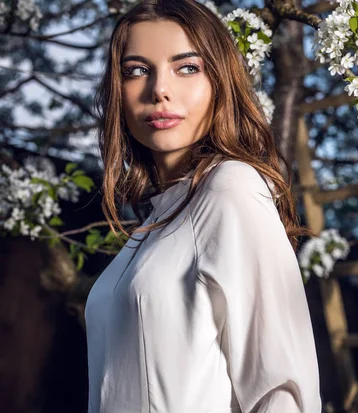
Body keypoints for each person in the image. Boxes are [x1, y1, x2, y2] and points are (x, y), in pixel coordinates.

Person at [84, 1, 322, 412]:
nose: (159, 88)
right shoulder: (158, 217)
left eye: (187, 67)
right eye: (136, 70)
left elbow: (282, 391)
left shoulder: (231, 188)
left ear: (220, 82)